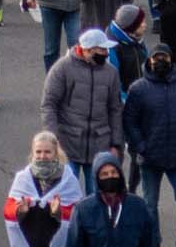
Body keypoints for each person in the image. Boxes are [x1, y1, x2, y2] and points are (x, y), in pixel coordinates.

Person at [121, 43, 176, 247]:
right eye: (156, 57)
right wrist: (141, 146)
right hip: (150, 158)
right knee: (149, 204)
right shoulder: (138, 88)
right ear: (149, 61)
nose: (160, 61)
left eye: (164, 57)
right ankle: (153, 245)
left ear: (171, 60)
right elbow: (130, 121)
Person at [42, 30, 124, 194]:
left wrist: (116, 145)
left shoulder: (111, 73)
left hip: (100, 146)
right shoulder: (62, 69)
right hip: (67, 145)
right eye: (102, 50)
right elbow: (49, 105)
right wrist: (53, 140)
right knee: (65, 196)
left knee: (98, 198)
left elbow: (115, 110)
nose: (106, 53)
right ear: (87, 50)